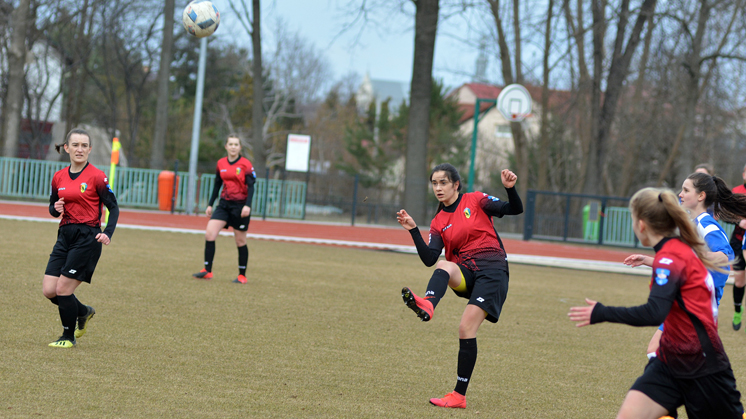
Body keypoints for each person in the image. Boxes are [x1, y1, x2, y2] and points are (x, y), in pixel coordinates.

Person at [569, 188, 744, 419]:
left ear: (641, 225)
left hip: (702, 364)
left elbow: (654, 312)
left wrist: (602, 312)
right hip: (669, 360)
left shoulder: (671, 256)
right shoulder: (672, 253)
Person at [396, 163, 523, 409]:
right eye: (434, 183)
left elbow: (514, 209)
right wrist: (413, 230)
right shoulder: (438, 221)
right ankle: (428, 305)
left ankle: (458, 396)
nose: (438, 188)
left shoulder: (476, 200)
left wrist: (510, 188)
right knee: (443, 265)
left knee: (465, 329)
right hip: (467, 273)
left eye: (443, 182)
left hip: (493, 272)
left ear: (456, 185)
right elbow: (430, 259)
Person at [625, 172, 745, 357]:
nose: (680, 194)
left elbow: (724, 255)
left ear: (700, 196)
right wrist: (647, 260)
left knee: (658, 352)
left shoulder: (707, 225)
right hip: (688, 304)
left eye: (686, 190)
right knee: (659, 353)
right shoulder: (693, 224)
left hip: (696, 307)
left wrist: (693, 255)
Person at [43, 128, 119, 348]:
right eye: (75, 145)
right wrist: (55, 209)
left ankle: (68, 336)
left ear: (90, 149)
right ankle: (84, 311)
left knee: (63, 289)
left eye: (84, 145)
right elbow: (53, 208)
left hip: (88, 237)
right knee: (49, 290)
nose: (79, 149)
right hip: (64, 235)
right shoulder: (58, 177)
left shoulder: (97, 176)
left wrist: (108, 232)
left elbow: (113, 208)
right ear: (66, 148)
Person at [192, 135, 256, 284]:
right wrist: (210, 204)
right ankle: (207, 271)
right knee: (209, 233)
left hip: (240, 207)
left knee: (240, 241)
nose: (233, 147)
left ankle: (242, 275)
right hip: (224, 205)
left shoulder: (245, 164)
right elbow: (217, 184)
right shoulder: (221, 163)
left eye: (236, 144)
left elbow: (251, 187)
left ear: (240, 148)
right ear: (226, 146)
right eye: (230, 144)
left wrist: (248, 205)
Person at [730, 164, 746, 331]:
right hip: (738, 240)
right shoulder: (736, 191)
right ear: (743, 174)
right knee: (740, 281)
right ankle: (737, 311)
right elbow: (726, 214)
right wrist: (739, 221)